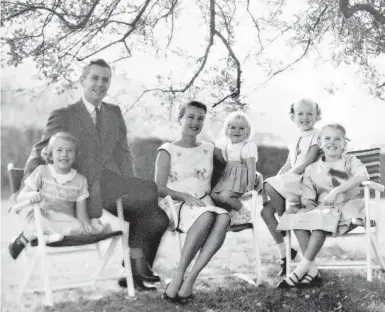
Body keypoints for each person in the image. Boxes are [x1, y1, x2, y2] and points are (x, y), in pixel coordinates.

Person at [23, 59, 169, 290]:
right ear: (83, 80)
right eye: (95, 78)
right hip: (84, 189)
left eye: (105, 80)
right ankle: (134, 266)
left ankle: (133, 271)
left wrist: (129, 184)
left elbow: (123, 153)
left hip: (113, 185)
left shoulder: (113, 112)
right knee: (150, 193)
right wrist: (28, 189)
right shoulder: (64, 115)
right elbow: (41, 151)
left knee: (158, 218)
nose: (100, 84)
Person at [276, 123, 370, 288]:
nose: (331, 142)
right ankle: (312, 271)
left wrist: (336, 191)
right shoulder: (312, 168)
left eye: (337, 139)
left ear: (344, 144)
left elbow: (362, 175)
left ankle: (300, 270)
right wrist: (310, 208)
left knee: (320, 222)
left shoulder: (350, 161)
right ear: (320, 143)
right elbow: (308, 197)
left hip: (347, 210)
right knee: (299, 220)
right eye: (327, 138)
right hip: (322, 210)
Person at [155, 101, 231, 304]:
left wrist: (253, 175)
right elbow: (159, 188)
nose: (195, 122)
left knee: (224, 218)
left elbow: (234, 166)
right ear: (180, 119)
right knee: (208, 214)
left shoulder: (209, 148)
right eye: (190, 117)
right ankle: (179, 274)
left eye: (200, 118)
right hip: (176, 204)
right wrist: (186, 197)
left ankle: (191, 278)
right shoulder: (167, 150)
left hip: (204, 203)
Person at [9, 132, 109, 260]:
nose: (64, 154)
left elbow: (81, 214)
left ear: (76, 155)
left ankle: (34, 234)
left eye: (70, 151)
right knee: (36, 218)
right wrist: (32, 195)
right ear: (50, 154)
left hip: (63, 220)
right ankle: (37, 234)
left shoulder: (80, 181)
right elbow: (21, 197)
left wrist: (87, 225)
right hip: (41, 215)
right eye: (59, 150)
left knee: (79, 227)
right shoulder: (41, 172)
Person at [261, 98, 322, 276]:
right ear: (292, 116)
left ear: (317, 116)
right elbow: (289, 164)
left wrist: (280, 180)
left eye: (310, 113)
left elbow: (309, 161)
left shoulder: (317, 135)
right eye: (300, 113)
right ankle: (286, 253)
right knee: (265, 211)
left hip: (306, 184)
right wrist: (279, 178)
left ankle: (286, 222)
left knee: (270, 186)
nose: (305, 117)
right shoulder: (295, 138)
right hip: (293, 182)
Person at [210, 111, 260, 224]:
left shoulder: (247, 146)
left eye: (241, 128)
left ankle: (245, 212)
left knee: (224, 196)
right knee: (213, 195)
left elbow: (251, 168)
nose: (237, 131)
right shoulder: (226, 146)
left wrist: (250, 184)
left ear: (247, 131)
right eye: (233, 127)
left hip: (241, 179)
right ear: (227, 129)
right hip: (228, 178)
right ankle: (233, 213)